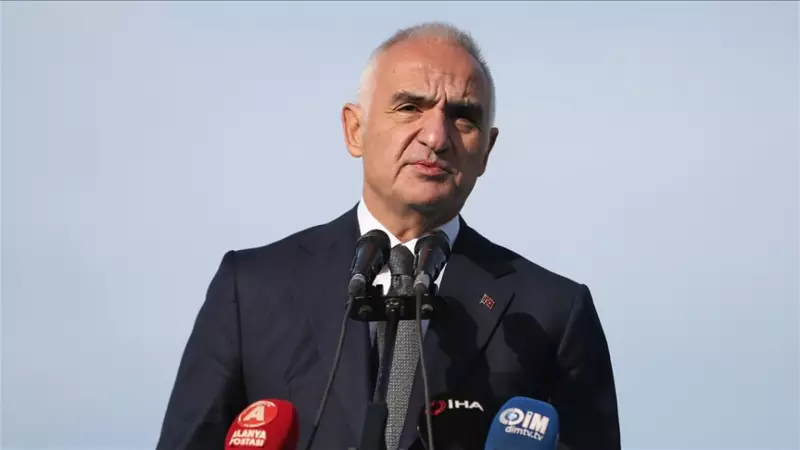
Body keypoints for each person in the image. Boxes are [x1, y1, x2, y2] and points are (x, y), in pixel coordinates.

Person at [156, 22, 621, 450]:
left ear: (486, 150)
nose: (436, 137)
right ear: (355, 129)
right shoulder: (252, 288)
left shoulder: (553, 312)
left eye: (463, 118)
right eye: (409, 107)